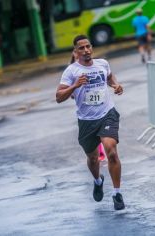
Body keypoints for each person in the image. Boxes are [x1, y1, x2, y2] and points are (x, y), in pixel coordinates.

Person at [56, 35, 125, 210]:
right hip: (86, 120)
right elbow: (58, 97)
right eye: (82, 48)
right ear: (76, 51)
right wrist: (75, 86)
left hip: (107, 113)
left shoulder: (102, 63)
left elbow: (109, 77)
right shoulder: (71, 71)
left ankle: (117, 193)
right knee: (93, 159)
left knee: (111, 151)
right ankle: (98, 180)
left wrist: (116, 85)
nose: (86, 50)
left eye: (88, 46)